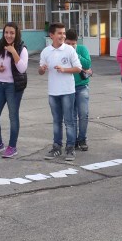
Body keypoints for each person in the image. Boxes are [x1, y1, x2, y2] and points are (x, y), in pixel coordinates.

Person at [0, 22, 28, 158]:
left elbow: (22, 68)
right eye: (6, 32)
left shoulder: (21, 48)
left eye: (12, 33)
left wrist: (13, 52)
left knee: (13, 116)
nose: (9, 35)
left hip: (13, 87)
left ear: (16, 34)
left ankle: (12, 147)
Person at [39, 22, 82, 161]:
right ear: (51, 35)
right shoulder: (46, 52)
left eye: (64, 33)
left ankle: (70, 148)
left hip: (67, 91)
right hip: (53, 92)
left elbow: (78, 68)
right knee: (56, 121)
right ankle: (56, 147)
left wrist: (64, 69)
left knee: (69, 121)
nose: (63, 36)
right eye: (59, 33)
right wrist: (42, 69)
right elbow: (40, 71)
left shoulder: (69, 50)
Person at [65, 29, 91, 151]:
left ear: (77, 42)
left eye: (73, 44)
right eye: (68, 44)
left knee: (83, 114)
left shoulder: (81, 49)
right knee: (71, 116)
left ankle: (82, 139)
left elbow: (87, 64)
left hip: (81, 86)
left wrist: (75, 54)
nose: (71, 46)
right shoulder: (62, 52)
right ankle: (73, 140)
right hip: (68, 87)